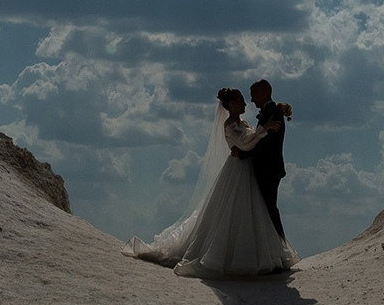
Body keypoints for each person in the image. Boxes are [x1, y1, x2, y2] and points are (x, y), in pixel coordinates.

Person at [126, 88, 297, 278]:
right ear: (231, 104)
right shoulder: (230, 125)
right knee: (234, 211)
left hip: (246, 169)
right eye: (241, 100)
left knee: (253, 212)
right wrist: (264, 128)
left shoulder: (243, 123)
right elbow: (246, 143)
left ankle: (265, 255)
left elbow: (250, 143)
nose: (245, 103)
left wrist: (263, 129)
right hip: (237, 170)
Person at [248, 78, 292, 240]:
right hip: (268, 169)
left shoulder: (272, 113)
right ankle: (275, 247)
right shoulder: (270, 112)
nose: (251, 100)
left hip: (269, 169)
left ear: (264, 93)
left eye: (253, 95)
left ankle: (280, 246)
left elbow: (265, 143)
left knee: (269, 208)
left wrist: (244, 153)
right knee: (266, 207)